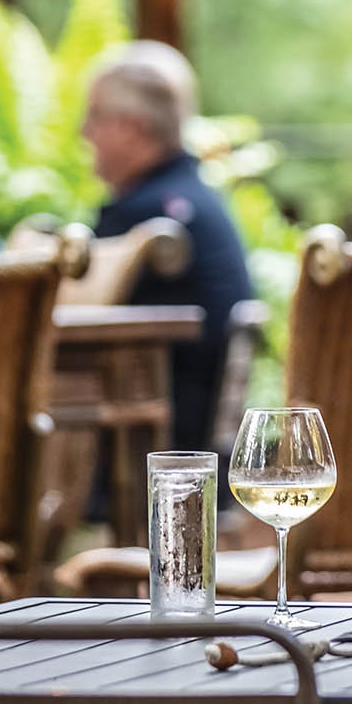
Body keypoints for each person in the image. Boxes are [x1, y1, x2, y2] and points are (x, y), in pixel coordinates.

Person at [83, 44, 253, 454]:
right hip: (202, 445)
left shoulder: (148, 217)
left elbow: (74, 318)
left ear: (132, 127)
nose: (84, 132)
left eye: (95, 118)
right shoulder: (195, 199)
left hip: (159, 453)